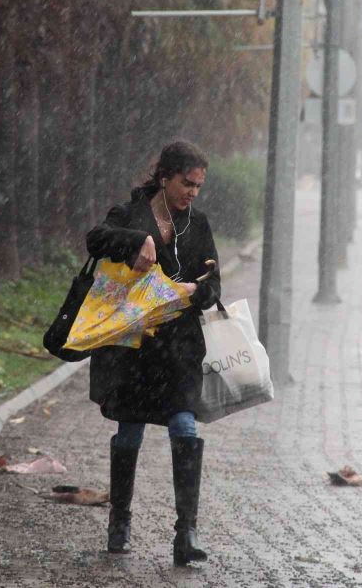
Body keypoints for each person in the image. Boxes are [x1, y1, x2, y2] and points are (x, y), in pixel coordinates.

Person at [85, 140, 220, 566]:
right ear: (165, 178)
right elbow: (96, 240)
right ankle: (119, 520)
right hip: (134, 348)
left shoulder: (198, 225)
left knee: (185, 427)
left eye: (199, 185)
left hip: (179, 350)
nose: (193, 193)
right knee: (130, 432)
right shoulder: (130, 213)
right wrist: (137, 240)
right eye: (187, 183)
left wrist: (198, 289)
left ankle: (186, 532)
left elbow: (216, 285)